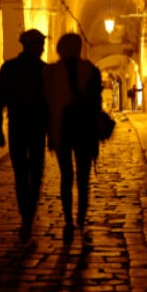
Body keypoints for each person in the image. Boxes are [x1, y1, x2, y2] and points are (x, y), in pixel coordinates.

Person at [43, 32, 103, 242]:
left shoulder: (51, 72)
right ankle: (81, 217)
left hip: (62, 128)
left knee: (66, 176)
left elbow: (48, 104)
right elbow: (96, 104)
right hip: (85, 130)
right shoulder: (91, 71)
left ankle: (68, 218)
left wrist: (49, 132)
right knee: (83, 177)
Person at [0, 29, 49, 242]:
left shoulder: (8, 68)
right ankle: (28, 215)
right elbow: (49, 105)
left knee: (20, 173)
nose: (43, 48)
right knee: (35, 172)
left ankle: (26, 213)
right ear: (33, 46)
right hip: (36, 128)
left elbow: (0, 103)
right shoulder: (44, 70)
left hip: (17, 127)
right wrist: (52, 133)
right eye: (41, 44)